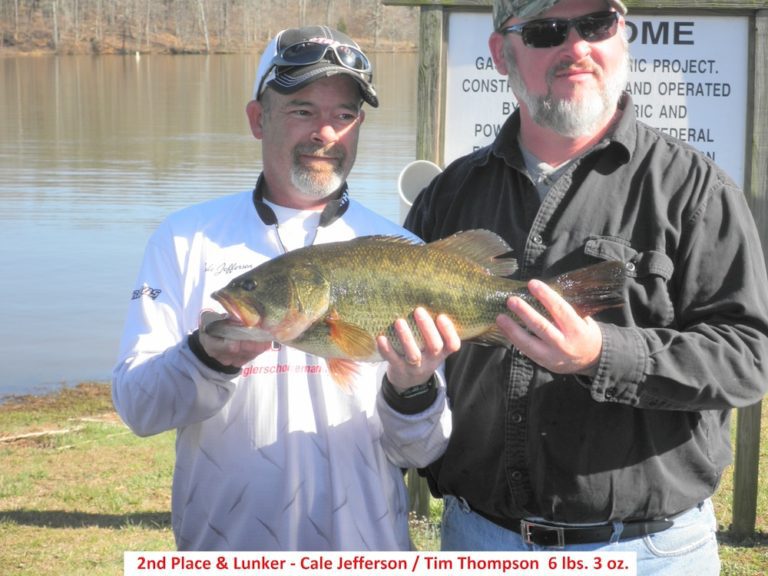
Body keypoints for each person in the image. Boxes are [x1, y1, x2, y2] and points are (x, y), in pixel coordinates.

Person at [397, 0, 768, 571]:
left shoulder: (697, 191)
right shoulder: (447, 197)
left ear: (623, 35)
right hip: (479, 539)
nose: (576, 46)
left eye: (596, 24)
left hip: (651, 552)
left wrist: (603, 353)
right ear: (502, 53)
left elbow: (749, 358)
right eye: (547, 30)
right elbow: (399, 369)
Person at [112, 25, 454, 551]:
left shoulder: (403, 253)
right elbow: (139, 408)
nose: (326, 133)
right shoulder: (185, 239)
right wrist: (206, 357)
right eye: (302, 110)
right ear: (258, 118)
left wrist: (412, 387)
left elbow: (421, 450)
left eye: (344, 115)